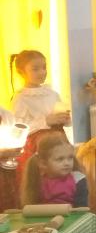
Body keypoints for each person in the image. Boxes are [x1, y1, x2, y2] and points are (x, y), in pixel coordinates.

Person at [9, 50, 71, 182]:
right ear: (21, 72)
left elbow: (62, 117)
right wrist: (45, 121)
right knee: (43, 180)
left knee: (63, 176)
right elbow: (18, 130)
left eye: (44, 67)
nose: (42, 72)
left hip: (59, 139)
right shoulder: (21, 98)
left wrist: (64, 118)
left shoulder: (52, 93)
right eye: (35, 69)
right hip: (37, 146)